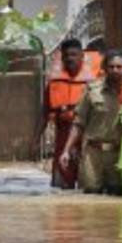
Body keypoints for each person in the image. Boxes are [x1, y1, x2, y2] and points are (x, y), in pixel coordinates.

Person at [60, 50, 122, 194]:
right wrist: (66, 150)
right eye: (111, 66)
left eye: (119, 67)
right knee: (91, 197)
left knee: (118, 197)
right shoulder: (92, 90)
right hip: (93, 154)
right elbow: (78, 123)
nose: (115, 70)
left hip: (119, 154)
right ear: (104, 69)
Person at [34, 38, 98, 189]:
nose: (70, 58)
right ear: (62, 58)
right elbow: (44, 114)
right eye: (67, 55)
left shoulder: (95, 83)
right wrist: (36, 141)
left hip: (87, 139)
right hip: (62, 138)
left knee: (89, 187)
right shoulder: (54, 84)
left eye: (74, 55)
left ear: (82, 56)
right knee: (60, 188)